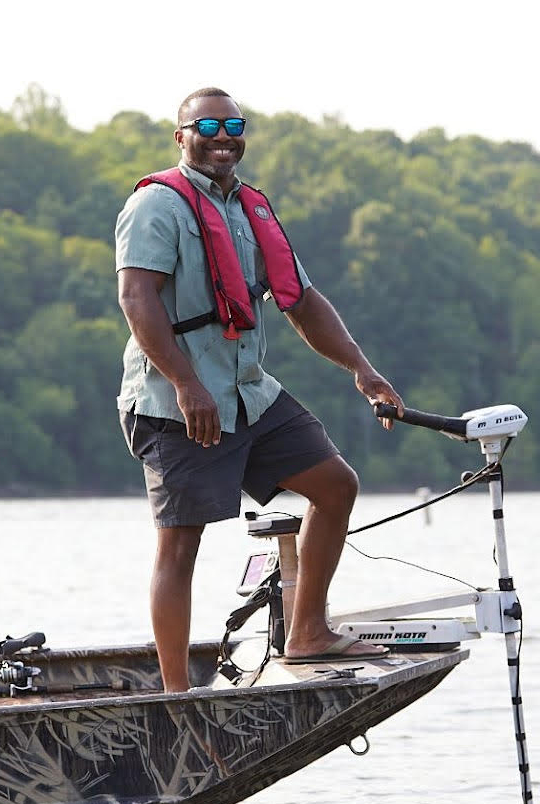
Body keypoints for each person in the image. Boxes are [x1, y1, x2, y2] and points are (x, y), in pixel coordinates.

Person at [115, 87, 406, 692]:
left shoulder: (251, 208)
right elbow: (136, 300)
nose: (223, 136)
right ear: (182, 136)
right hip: (175, 403)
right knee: (180, 546)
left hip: (250, 393)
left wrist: (362, 368)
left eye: (234, 125)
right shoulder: (155, 207)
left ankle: (307, 633)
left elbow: (301, 301)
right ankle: (175, 697)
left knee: (335, 485)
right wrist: (187, 383)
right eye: (208, 125)